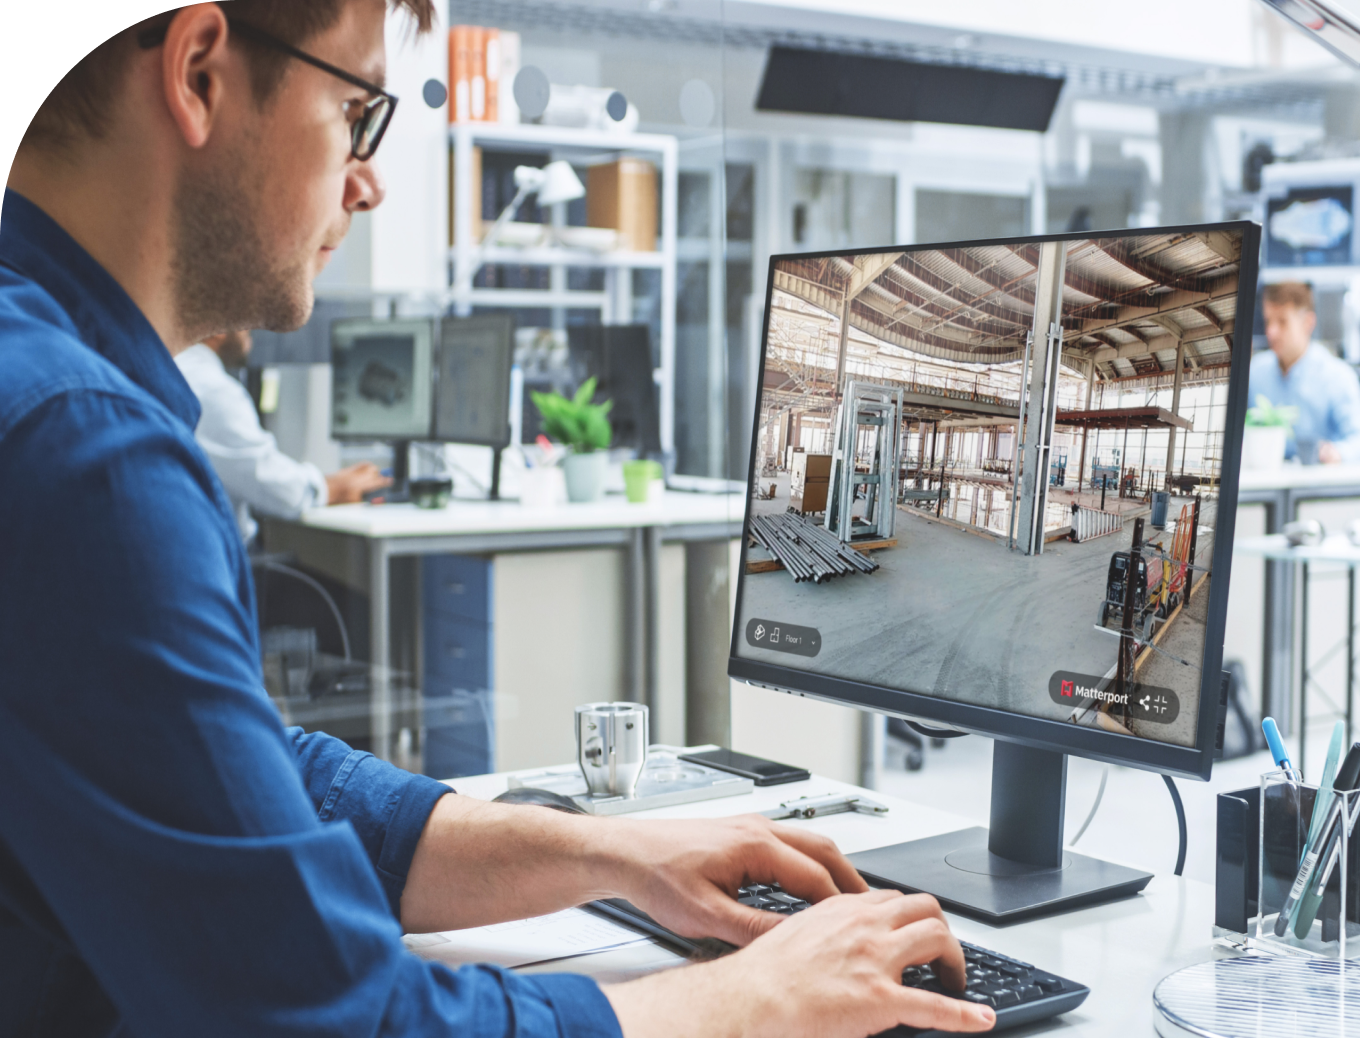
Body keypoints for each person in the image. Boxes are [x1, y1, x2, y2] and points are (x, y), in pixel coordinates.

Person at [0, 5, 993, 1038]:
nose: (369, 179)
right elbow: (327, 1019)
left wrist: (607, 853)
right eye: (355, 110)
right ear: (200, 73)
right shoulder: (82, 452)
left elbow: (234, 789)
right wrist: (747, 997)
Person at [177, 327, 389, 542]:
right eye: (242, 318)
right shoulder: (213, 389)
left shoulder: (177, 371)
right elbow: (274, 486)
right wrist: (331, 488)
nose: (252, 329)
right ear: (218, 329)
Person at [1249, 280, 1360, 464]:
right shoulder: (1255, 373)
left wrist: (1338, 453)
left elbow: (1357, 441)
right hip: (1265, 489)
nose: (1271, 332)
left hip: (1316, 489)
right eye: (1268, 321)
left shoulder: (1338, 376)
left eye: (1282, 322)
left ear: (1308, 322)